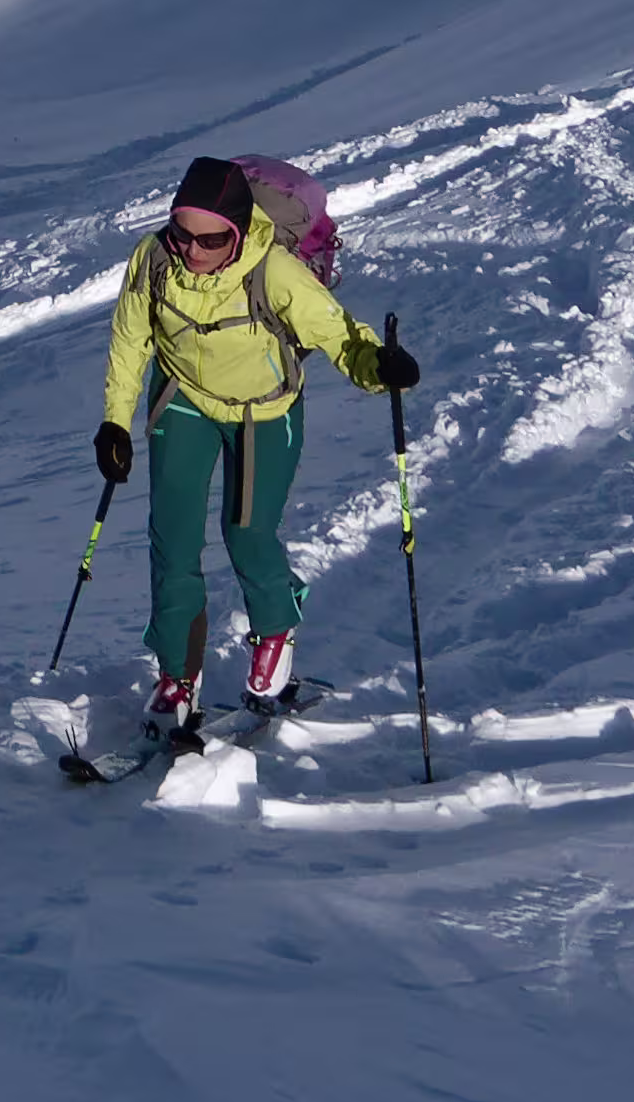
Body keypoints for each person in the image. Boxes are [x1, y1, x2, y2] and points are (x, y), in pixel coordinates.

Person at [94, 155, 416, 737]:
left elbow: (339, 336)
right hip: (184, 401)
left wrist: (379, 366)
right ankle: (176, 679)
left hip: (263, 411)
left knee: (247, 533)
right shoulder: (152, 260)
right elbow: (130, 341)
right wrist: (115, 424)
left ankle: (274, 630)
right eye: (181, 234)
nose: (191, 249)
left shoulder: (276, 273)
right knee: (173, 540)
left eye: (210, 238)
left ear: (238, 232)